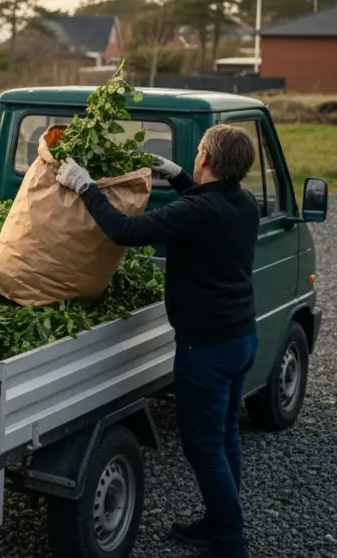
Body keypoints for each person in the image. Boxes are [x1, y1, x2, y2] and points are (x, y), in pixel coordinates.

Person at [54, 124, 261, 558]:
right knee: (225, 438)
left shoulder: (195, 214)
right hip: (241, 337)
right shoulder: (244, 203)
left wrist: (86, 185)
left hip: (205, 349)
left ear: (206, 159)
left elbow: (124, 231)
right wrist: (180, 176)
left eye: (198, 153)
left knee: (203, 446)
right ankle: (219, 523)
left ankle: (230, 542)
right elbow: (207, 202)